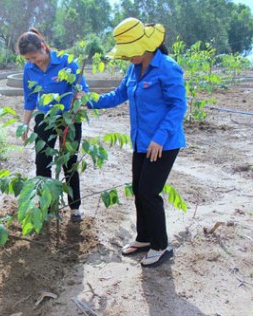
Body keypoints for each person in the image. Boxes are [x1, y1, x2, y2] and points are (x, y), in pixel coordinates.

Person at [87, 18, 187, 267]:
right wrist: (88, 100)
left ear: (144, 47)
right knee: (138, 190)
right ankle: (143, 238)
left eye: (129, 53)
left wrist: (160, 137)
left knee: (149, 193)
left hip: (163, 143)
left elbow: (178, 106)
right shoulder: (134, 68)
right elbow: (119, 95)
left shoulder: (167, 68)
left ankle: (161, 245)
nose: (126, 58)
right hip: (141, 142)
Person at [17, 28, 89, 223]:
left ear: (43, 47)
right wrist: (25, 124)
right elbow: (30, 98)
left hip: (69, 119)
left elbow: (82, 89)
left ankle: (75, 208)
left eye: (34, 57)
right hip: (45, 119)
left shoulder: (66, 62)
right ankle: (48, 208)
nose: (33, 62)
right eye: (28, 59)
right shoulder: (29, 69)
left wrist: (77, 102)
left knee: (69, 161)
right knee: (42, 162)